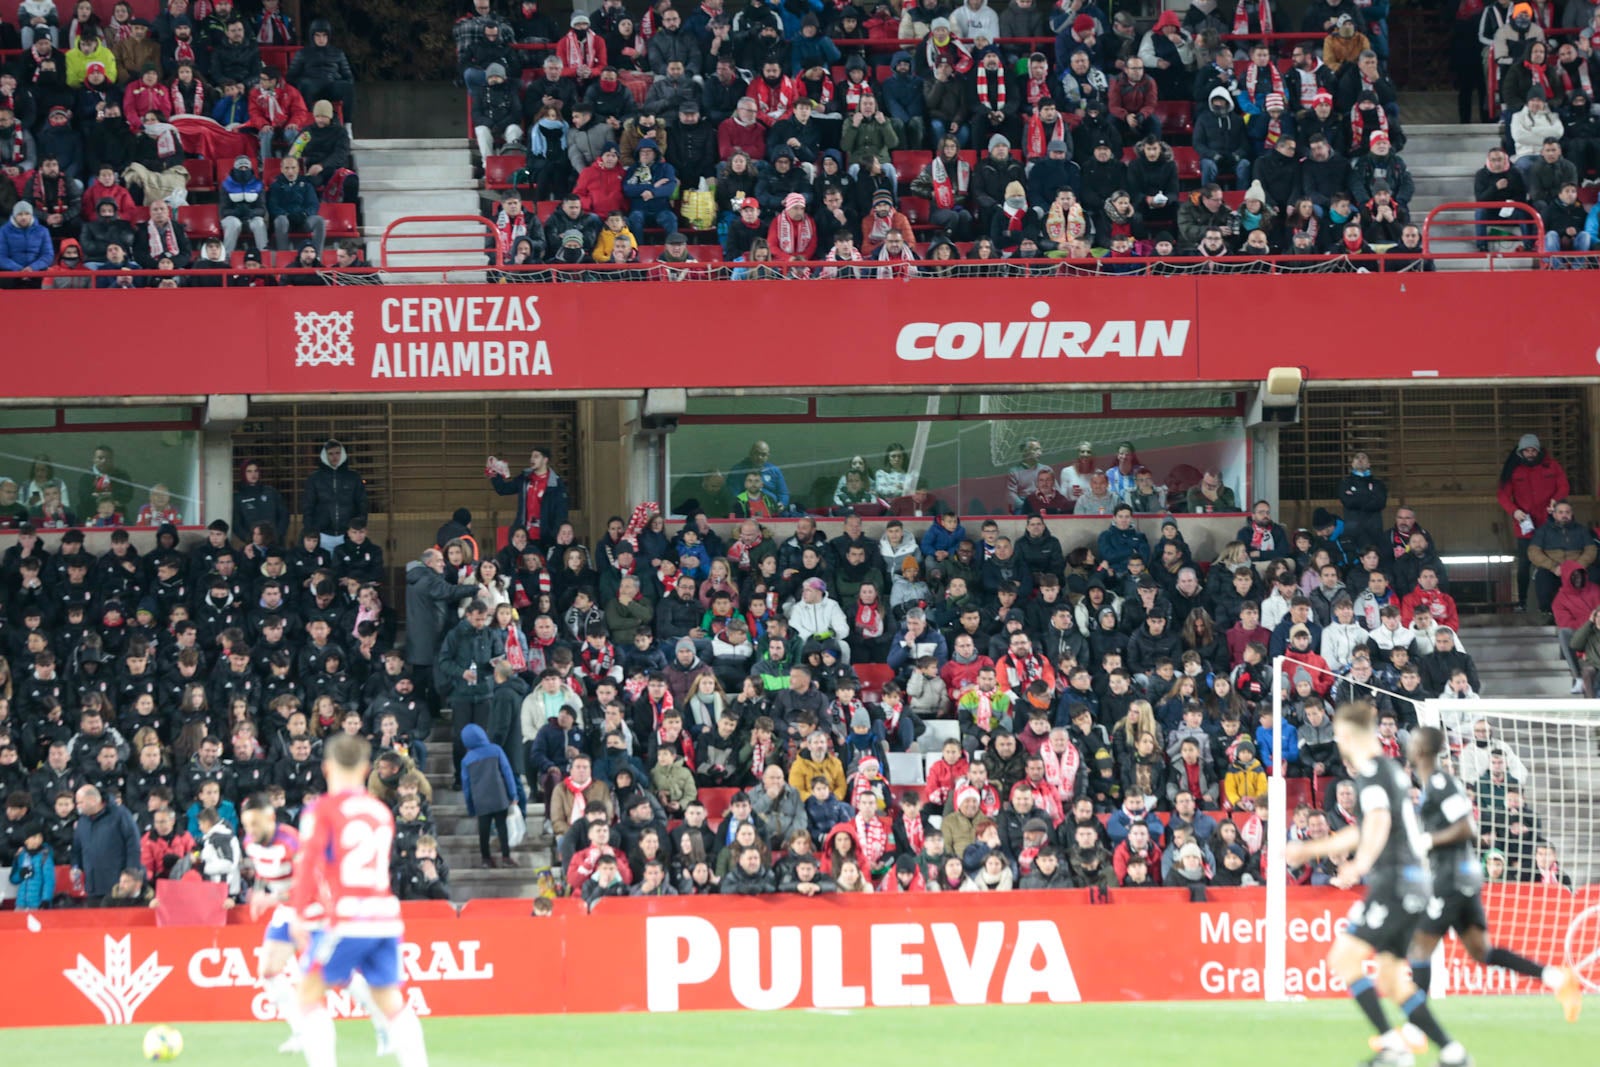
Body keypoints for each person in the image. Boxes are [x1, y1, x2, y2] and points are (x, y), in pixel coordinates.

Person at [1285, 702, 1469, 1067]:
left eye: (1338, 734)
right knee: (1390, 976)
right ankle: (1453, 1053)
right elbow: (1370, 827)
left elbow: (1377, 824)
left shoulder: (1370, 772)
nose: (1337, 740)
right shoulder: (1390, 769)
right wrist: (1323, 851)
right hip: (1412, 882)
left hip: (1395, 882)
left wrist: (1355, 862)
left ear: (1349, 735)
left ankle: (1393, 1047)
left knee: (1344, 959)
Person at [1402, 726, 1581, 1030]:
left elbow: (1467, 828)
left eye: (1413, 741)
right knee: (1481, 951)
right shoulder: (1433, 783)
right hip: (1460, 877)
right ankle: (1557, 978)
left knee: (1419, 948)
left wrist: (1429, 841)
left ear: (1420, 750)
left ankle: (1412, 1031)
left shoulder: (1441, 782)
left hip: (1452, 878)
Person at [288, 734, 428, 1067]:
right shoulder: (381, 812)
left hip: (348, 918)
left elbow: (308, 862)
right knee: (389, 999)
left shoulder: (321, 810)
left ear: (325, 768)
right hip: (385, 916)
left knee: (307, 994)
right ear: (366, 768)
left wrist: (297, 914)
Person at [240, 793, 306, 1054]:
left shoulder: (291, 841)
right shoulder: (249, 842)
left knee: (334, 975)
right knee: (268, 971)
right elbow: (262, 868)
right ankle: (301, 1032)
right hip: (285, 909)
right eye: (246, 825)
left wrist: (270, 898)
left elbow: (306, 886)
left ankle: (384, 1017)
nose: (251, 831)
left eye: (255, 824)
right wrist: (259, 892)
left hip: (312, 909)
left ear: (270, 818)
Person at [1498, 433, 1569, 613]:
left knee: (1554, 560)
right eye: (1527, 451)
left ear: (1538, 451)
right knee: (1524, 564)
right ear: (1520, 452)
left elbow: (1563, 486)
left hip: (1550, 525)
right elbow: (1503, 495)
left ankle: (1557, 601)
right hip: (1525, 526)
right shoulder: (1513, 470)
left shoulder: (1552, 466)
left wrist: (1556, 500)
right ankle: (1522, 601)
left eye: (1533, 450)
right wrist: (1514, 511)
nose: (1530, 454)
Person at [69, 783, 140, 903]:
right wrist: (75, 867)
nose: (77, 807)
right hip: (92, 886)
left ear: (92, 800)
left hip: (117, 886)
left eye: (80, 802)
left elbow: (133, 845)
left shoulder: (120, 814)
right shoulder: (82, 821)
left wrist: (131, 872)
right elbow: (76, 849)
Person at [487, 447, 570, 548]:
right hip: (524, 537)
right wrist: (494, 473)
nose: (532, 459)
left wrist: (555, 536)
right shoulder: (525, 479)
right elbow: (503, 489)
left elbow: (561, 514)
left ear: (545, 460)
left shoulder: (556, 484)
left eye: (536, 456)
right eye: (531, 456)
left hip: (546, 539)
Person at [301, 439, 366, 552]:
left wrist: (359, 527)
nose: (334, 457)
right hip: (322, 534)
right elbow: (308, 506)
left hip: (348, 534)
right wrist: (310, 530)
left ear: (343, 454)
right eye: (330, 454)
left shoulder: (353, 477)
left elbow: (362, 504)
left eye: (337, 453)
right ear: (325, 455)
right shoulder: (315, 478)